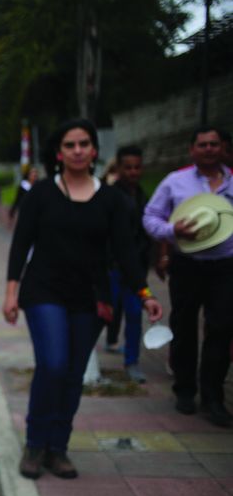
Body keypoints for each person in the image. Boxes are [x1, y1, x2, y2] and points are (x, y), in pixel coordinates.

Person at [3, 119, 163, 481]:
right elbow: (20, 245)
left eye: (84, 144)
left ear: (93, 151)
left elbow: (126, 252)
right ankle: (35, 443)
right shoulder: (41, 193)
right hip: (44, 291)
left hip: (90, 297)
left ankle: (58, 448)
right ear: (60, 153)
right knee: (54, 364)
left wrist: (145, 294)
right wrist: (11, 294)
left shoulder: (112, 200)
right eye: (70, 144)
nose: (77, 150)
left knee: (74, 374)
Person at [143, 126, 233, 427]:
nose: (208, 149)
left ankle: (213, 396)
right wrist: (172, 232)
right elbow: (150, 217)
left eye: (214, 144)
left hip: (225, 265)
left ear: (223, 149)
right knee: (184, 325)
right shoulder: (175, 182)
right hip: (188, 264)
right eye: (202, 144)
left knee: (220, 328)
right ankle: (184, 389)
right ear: (192, 150)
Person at [104, 146, 152, 382]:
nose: (133, 172)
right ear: (119, 168)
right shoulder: (109, 196)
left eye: (137, 167)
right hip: (111, 269)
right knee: (105, 314)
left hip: (135, 271)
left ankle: (131, 361)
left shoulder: (143, 196)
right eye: (128, 167)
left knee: (134, 314)